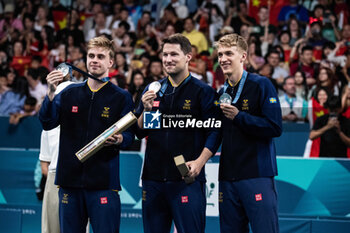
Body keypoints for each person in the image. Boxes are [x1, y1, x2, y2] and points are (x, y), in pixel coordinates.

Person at [39, 36, 135, 233]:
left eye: (101, 56)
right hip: (69, 183)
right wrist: (50, 94)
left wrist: (119, 139)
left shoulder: (121, 96)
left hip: (103, 183)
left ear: (111, 62)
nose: (94, 60)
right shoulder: (68, 93)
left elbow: (130, 136)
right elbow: (47, 123)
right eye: (91, 55)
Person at [135, 33, 221, 233]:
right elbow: (140, 132)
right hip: (153, 179)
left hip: (186, 180)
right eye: (165, 55)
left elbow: (216, 132)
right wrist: (145, 110)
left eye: (174, 54)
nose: (168, 59)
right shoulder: (154, 89)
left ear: (188, 57)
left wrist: (200, 162)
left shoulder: (203, 92)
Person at [215, 33, 282, 233]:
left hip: (256, 174)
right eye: (219, 55)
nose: (223, 59)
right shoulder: (221, 93)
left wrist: (239, 116)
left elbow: (275, 127)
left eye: (229, 53)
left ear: (243, 56)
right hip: (227, 177)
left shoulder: (261, 84)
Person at [39, 79, 72, 233]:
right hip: (54, 177)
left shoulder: (85, 125)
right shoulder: (47, 128)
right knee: (52, 227)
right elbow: (44, 162)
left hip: (76, 179)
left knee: (76, 225)